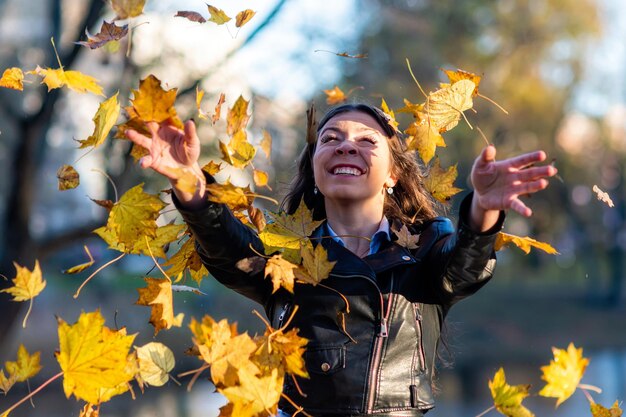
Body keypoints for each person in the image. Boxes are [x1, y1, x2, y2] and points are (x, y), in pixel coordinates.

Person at [126, 103, 557, 416]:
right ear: (315, 169)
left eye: (367, 141)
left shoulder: (426, 247)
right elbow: (231, 251)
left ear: (392, 174)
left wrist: (483, 210)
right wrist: (191, 185)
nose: (346, 147)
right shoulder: (288, 258)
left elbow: (463, 268)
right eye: (330, 140)